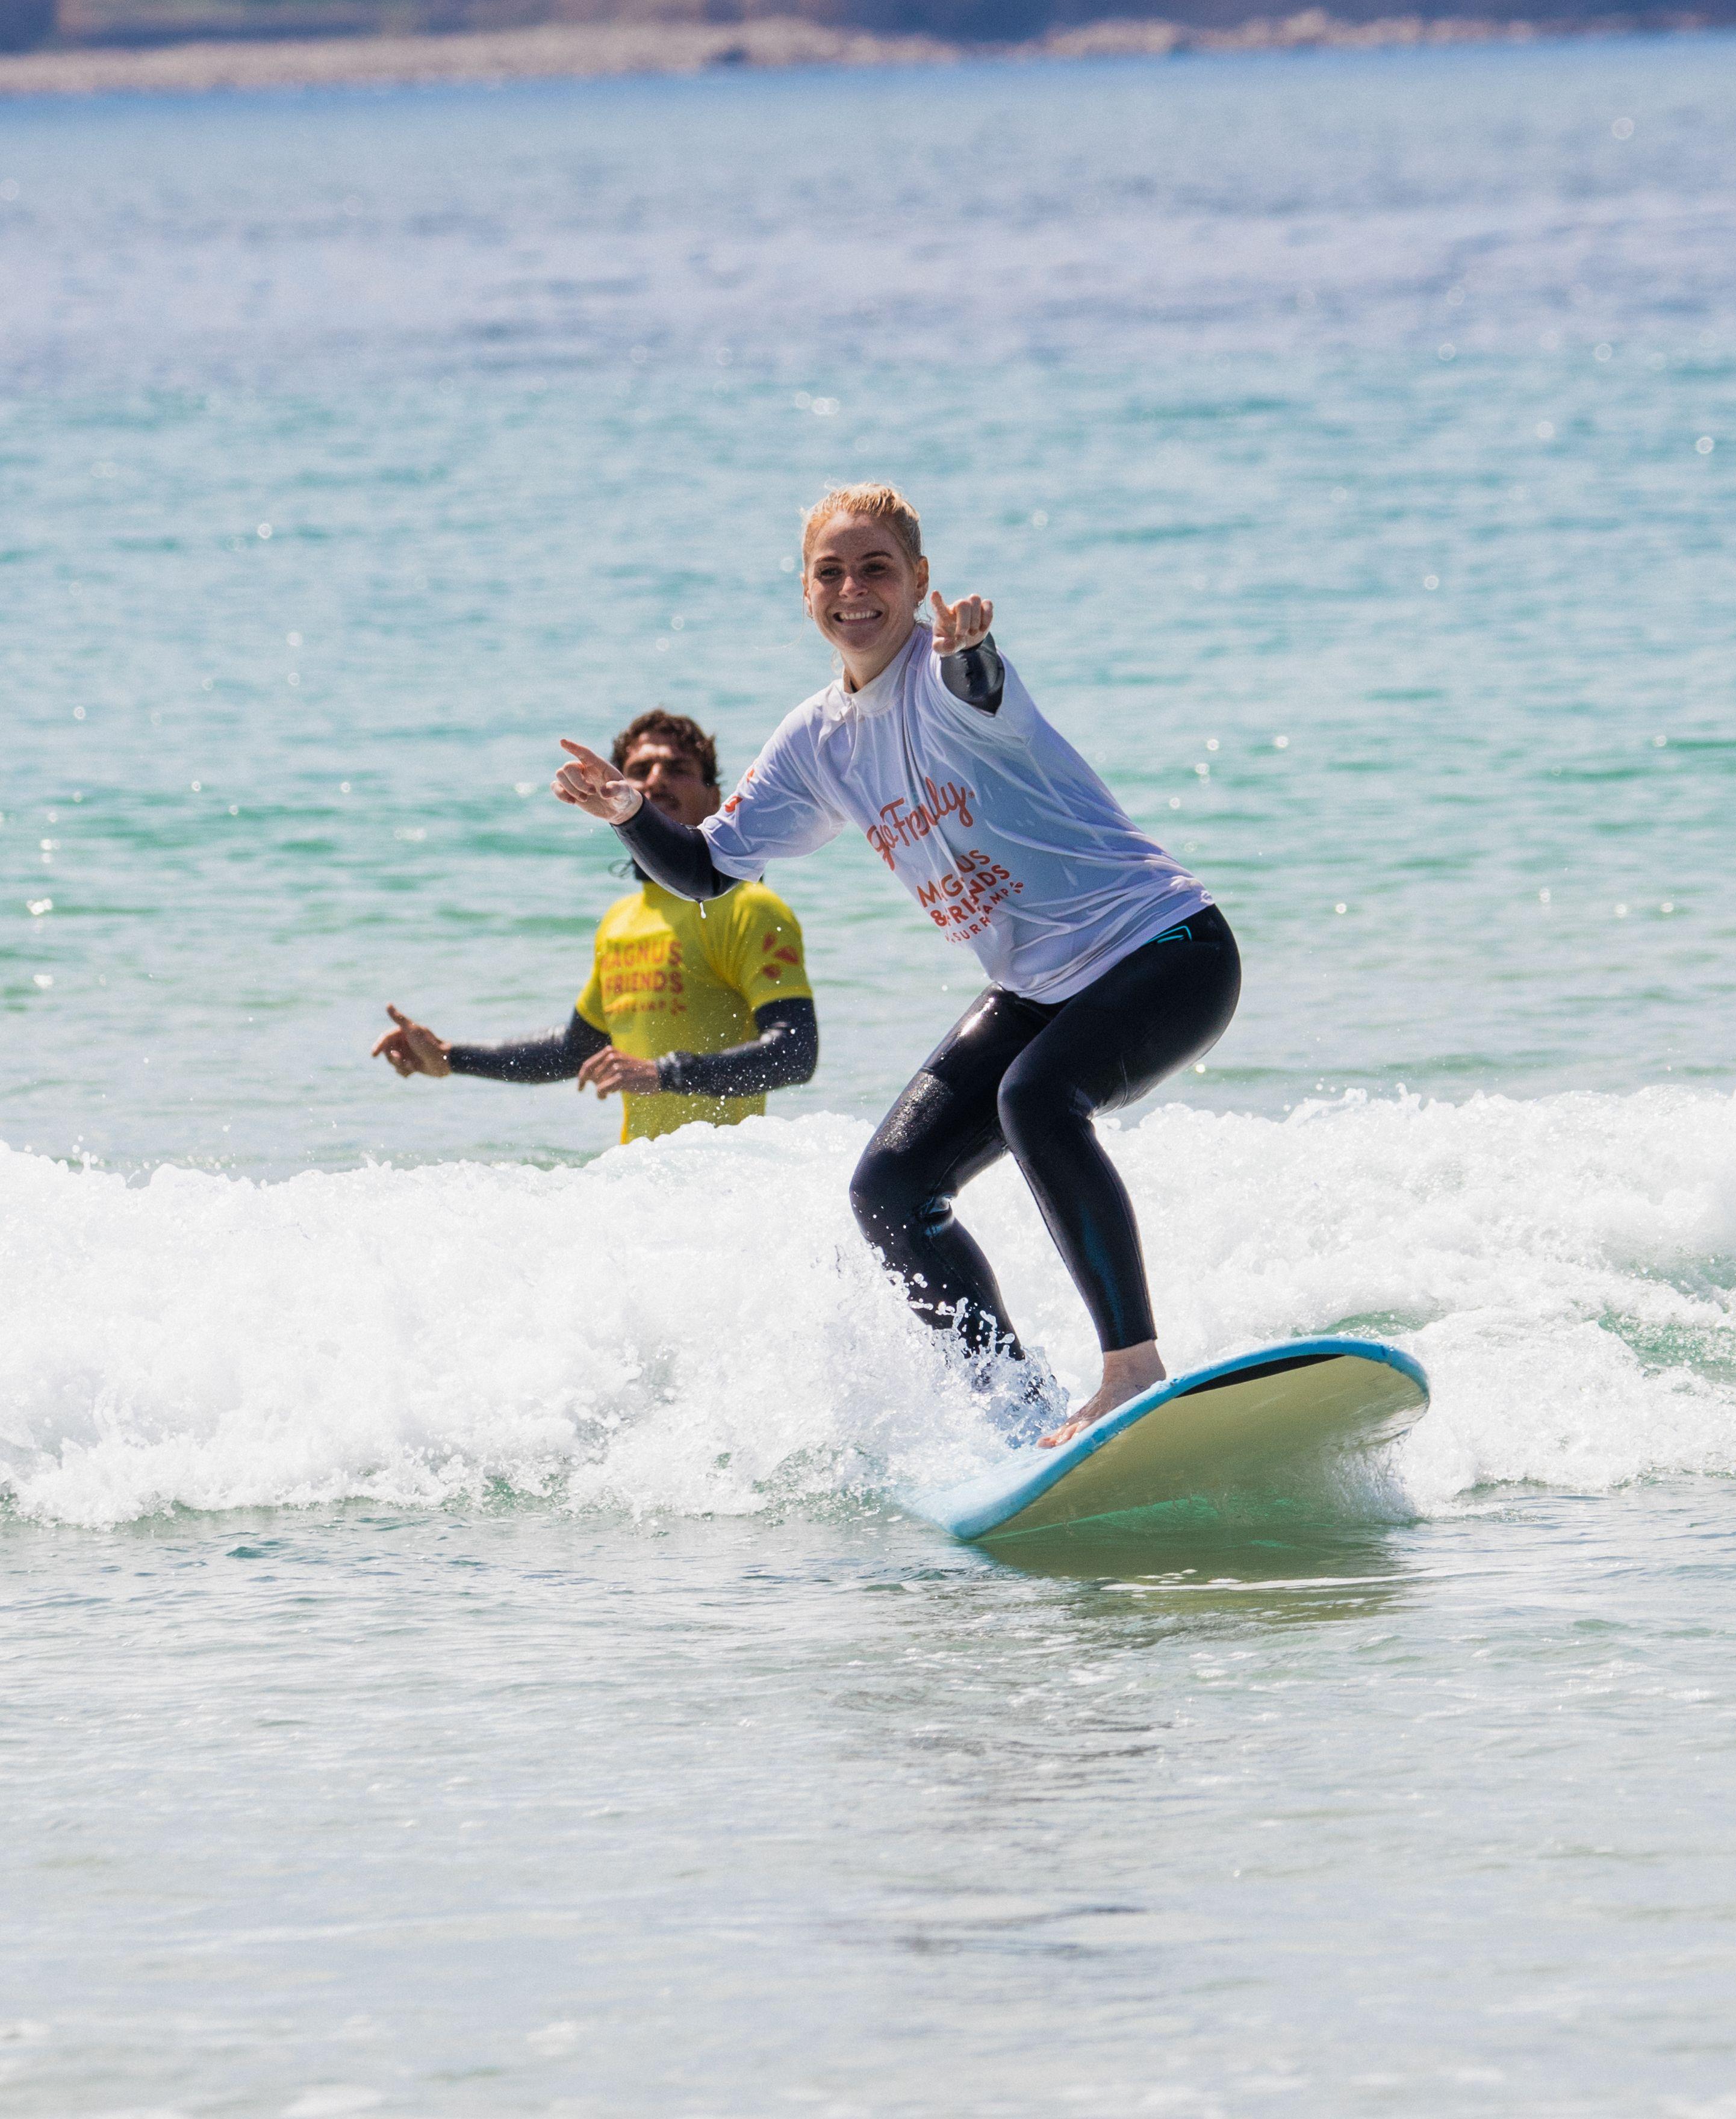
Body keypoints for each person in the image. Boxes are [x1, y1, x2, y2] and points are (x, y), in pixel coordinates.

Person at [552, 487, 1238, 1436]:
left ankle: (1132, 1370)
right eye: (829, 573)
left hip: (1166, 950)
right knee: (890, 1188)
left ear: (919, 580)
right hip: (1037, 990)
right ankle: (1016, 1410)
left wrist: (971, 652)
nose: (854, 590)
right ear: (804, 596)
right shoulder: (813, 740)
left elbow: (981, 688)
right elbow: (707, 870)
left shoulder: (950, 670)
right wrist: (633, 814)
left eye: (877, 567)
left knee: (1035, 1098)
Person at [375, 708, 818, 1142]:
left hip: (726, 1179)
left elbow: (794, 1053)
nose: (657, 778)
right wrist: (452, 1057)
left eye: (678, 768)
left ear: (716, 794)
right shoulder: (619, 922)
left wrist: (663, 1073)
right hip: (640, 1181)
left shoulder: (747, 905)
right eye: (640, 769)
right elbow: (574, 1051)